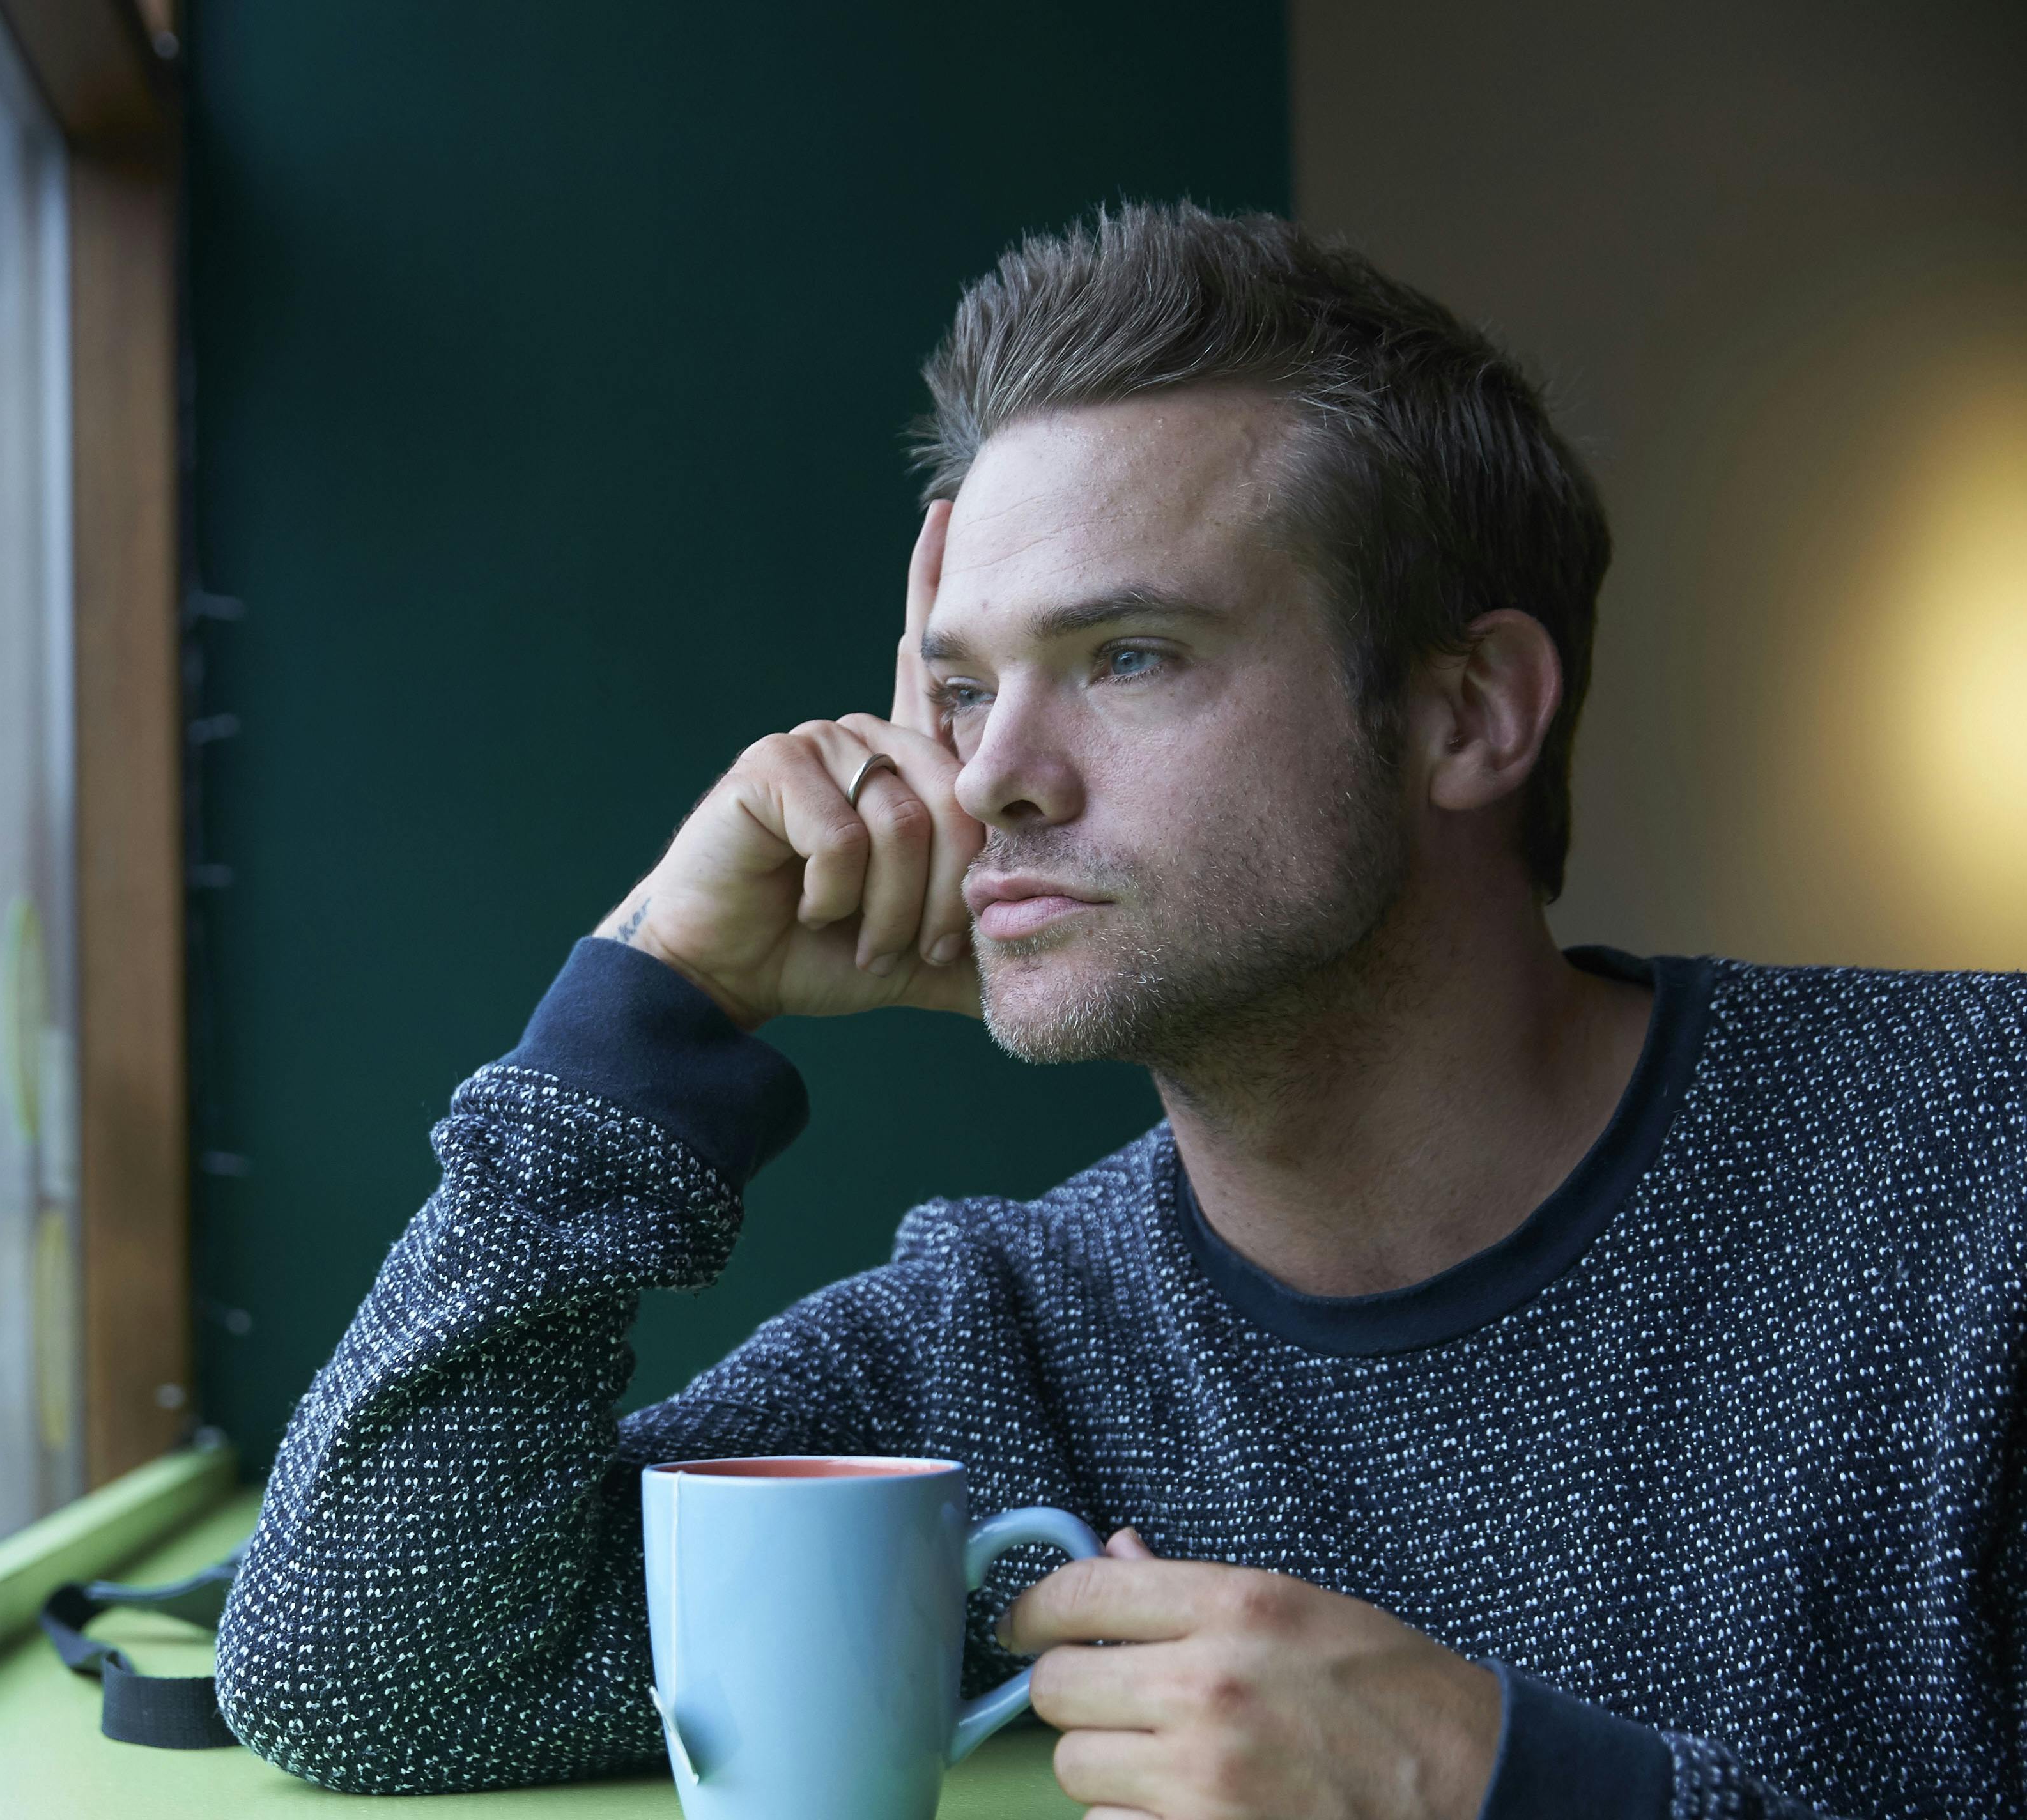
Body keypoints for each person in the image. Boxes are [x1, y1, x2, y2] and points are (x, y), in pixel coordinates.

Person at [212, 204, 2026, 1818]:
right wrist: (650, 998)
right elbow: (362, 1668)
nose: (987, 775)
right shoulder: (1011, 1347)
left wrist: (1497, 1786)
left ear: (1469, 712)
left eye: (1125, 658)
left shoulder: (1979, 1160)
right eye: (953, 686)